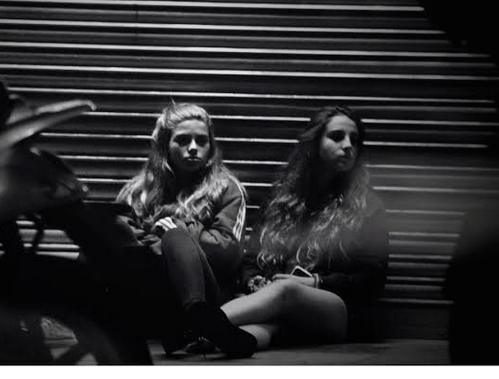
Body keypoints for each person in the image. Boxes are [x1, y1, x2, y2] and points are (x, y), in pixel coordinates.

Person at [220, 105, 388, 351]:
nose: (348, 146)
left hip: (340, 311)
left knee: (286, 290)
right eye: (337, 136)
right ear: (314, 143)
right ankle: (211, 340)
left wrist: (315, 283)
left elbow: (373, 279)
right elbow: (251, 258)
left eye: (355, 140)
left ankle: (196, 326)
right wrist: (254, 280)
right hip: (279, 306)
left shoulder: (368, 206)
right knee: (264, 327)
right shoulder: (281, 200)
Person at [109, 102, 256, 358]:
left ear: (211, 147)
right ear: (165, 145)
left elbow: (228, 253)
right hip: (152, 298)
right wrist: (164, 244)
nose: (193, 148)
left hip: (208, 295)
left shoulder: (226, 189)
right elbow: (120, 239)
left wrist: (179, 231)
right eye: (183, 140)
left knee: (175, 235)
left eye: (202, 141)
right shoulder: (138, 191)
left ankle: (198, 316)